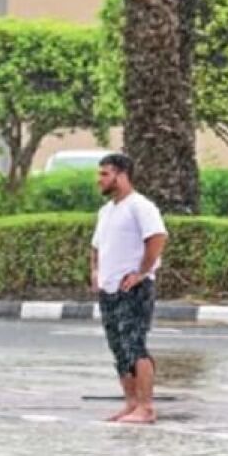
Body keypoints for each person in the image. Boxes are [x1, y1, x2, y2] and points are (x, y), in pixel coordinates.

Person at [90, 153, 168, 424]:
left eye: (104, 174)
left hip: (134, 288)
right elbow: (97, 246)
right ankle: (131, 403)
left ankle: (146, 407)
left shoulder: (141, 206)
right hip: (109, 289)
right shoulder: (106, 210)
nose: (99, 180)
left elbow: (157, 238)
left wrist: (141, 272)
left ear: (121, 175)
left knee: (135, 345)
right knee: (118, 347)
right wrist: (96, 272)